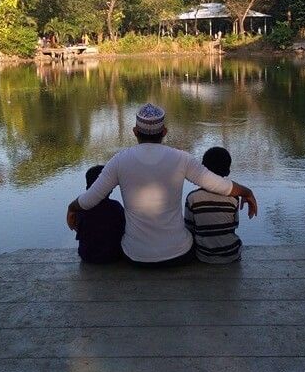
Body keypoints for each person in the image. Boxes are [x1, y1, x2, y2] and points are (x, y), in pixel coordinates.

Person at [66, 103, 257, 267]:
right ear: (164, 132)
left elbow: (90, 199)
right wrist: (246, 192)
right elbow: (219, 185)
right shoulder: (182, 159)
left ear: (135, 132)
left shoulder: (119, 161)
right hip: (179, 255)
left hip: (135, 256)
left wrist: (71, 207)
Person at [184, 147, 243, 264]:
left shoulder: (193, 198)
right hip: (231, 253)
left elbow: (189, 227)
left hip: (204, 255)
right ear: (228, 171)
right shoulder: (233, 197)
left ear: (203, 170)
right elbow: (234, 225)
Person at [73, 165, 125, 264]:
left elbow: (77, 230)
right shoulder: (116, 207)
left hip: (87, 255)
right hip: (114, 255)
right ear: (110, 189)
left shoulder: (81, 208)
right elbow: (124, 228)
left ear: (87, 187)